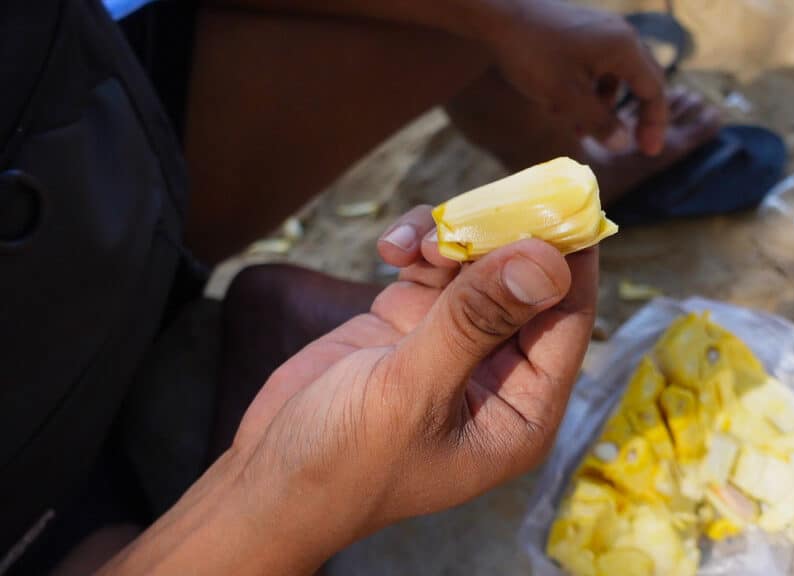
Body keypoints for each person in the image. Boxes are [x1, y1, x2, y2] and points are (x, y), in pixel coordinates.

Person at [0, 0, 719, 573]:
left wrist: (502, 16)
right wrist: (282, 499)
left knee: (462, 19)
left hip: (78, 162)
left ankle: (564, 143)